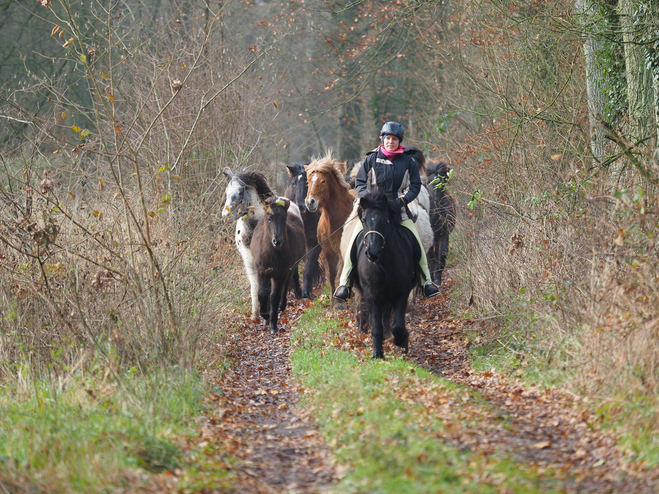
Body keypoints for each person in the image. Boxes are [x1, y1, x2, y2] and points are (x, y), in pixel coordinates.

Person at [333, 121, 441, 302]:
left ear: (400, 141)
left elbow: (415, 186)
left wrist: (403, 200)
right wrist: (369, 199)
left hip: (398, 208)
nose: (391, 142)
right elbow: (360, 183)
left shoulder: (408, 162)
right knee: (353, 240)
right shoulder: (371, 159)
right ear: (382, 139)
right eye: (388, 138)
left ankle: (427, 282)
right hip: (372, 208)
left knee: (416, 241)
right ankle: (345, 284)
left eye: (394, 139)